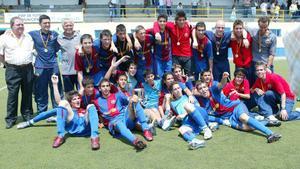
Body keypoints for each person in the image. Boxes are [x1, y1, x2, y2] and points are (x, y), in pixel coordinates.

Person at [17, 75, 100, 150]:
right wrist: (55, 84)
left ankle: (94, 138)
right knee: (62, 104)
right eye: (74, 99)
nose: (77, 100)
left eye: (78, 98)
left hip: (85, 128)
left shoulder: (84, 107)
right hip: (73, 127)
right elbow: (49, 111)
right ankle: (60, 136)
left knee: (91, 106)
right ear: (70, 103)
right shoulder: (68, 110)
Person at [195, 72, 282, 143]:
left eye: (204, 87)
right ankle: (266, 121)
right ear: (198, 91)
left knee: (243, 118)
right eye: (200, 89)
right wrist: (222, 121)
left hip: (236, 106)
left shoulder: (213, 89)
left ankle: (270, 133)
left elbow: (221, 85)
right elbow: (208, 116)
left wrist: (224, 77)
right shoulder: (202, 103)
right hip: (228, 118)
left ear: (207, 87)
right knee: (245, 128)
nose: (203, 89)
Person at [94, 79, 153, 150]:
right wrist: (99, 122)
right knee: (118, 123)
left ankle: (146, 129)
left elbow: (128, 99)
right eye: (103, 86)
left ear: (110, 87)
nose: (106, 88)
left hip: (126, 118)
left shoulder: (117, 95)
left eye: (107, 86)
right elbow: (94, 113)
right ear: (100, 89)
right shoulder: (96, 102)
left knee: (135, 100)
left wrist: (133, 98)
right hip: (114, 122)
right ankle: (136, 141)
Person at [0, 17, 34, 129]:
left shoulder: (28, 37)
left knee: (27, 93)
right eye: (18, 24)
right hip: (12, 69)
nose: (20, 26)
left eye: (22, 24)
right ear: (12, 26)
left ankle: (27, 114)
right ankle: (11, 118)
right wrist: (6, 64)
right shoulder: (4, 38)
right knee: (12, 94)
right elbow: (1, 54)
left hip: (28, 68)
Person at [29, 14, 63, 114]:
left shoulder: (55, 34)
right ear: (40, 24)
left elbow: (57, 47)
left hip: (53, 66)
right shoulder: (33, 34)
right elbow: (21, 34)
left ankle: (57, 109)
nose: (47, 24)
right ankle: (42, 111)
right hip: (40, 67)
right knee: (41, 89)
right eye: (45, 23)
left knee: (56, 88)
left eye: (48, 22)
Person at [168, 82, 212, 150]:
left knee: (187, 105)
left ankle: (206, 129)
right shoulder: (172, 103)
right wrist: (178, 117)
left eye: (178, 88)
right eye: (175, 89)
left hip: (200, 115)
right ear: (172, 92)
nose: (178, 90)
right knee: (182, 129)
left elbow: (197, 106)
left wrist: (184, 114)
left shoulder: (188, 96)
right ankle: (195, 141)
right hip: (189, 121)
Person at [154, 10, 193, 76]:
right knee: (175, 76)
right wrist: (157, 33)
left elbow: (195, 29)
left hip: (187, 56)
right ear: (176, 21)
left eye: (183, 20)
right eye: (179, 20)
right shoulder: (172, 26)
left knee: (188, 76)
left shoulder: (189, 27)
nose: (181, 22)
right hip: (176, 56)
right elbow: (156, 23)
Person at [248, 16, 277, 82]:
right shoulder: (253, 32)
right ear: (258, 24)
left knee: (269, 85)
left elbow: (272, 54)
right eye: (261, 27)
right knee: (255, 86)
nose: (263, 29)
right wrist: (244, 38)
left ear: (268, 25)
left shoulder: (272, 37)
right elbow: (242, 27)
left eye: (265, 27)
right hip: (254, 65)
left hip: (266, 65)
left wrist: (268, 67)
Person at [57, 18, 80, 93]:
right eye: (66, 25)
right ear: (63, 27)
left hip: (79, 70)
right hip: (66, 71)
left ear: (73, 25)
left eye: (70, 25)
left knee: (81, 92)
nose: (69, 27)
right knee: (69, 94)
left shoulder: (79, 36)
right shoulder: (59, 38)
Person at [230, 19, 253, 84]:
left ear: (243, 29)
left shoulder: (247, 35)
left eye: (240, 28)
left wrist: (245, 38)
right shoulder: (231, 38)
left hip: (248, 65)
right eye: (236, 28)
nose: (238, 30)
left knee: (249, 83)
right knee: (238, 83)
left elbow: (247, 45)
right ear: (233, 29)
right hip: (238, 65)